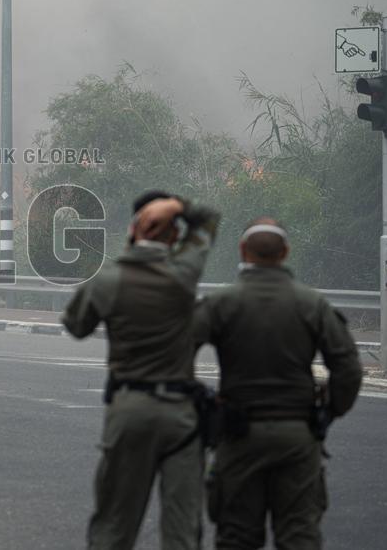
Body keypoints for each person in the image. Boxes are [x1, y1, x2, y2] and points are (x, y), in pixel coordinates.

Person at [61, 191, 220, 550]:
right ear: (175, 236)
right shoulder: (184, 273)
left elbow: (76, 324)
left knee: (114, 524)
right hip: (182, 415)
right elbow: (208, 218)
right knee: (182, 530)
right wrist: (179, 206)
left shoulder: (109, 280)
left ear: (133, 230)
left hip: (129, 410)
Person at [193, 218, 362, 550]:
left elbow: (175, 355)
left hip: (238, 435)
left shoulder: (221, 304)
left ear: (243, 250)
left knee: (237, 536)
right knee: (299, 535)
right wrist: (328, 412)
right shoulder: (312, 304)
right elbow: (348, 369)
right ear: (285, 252)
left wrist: (206, 405)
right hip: (297, 435)